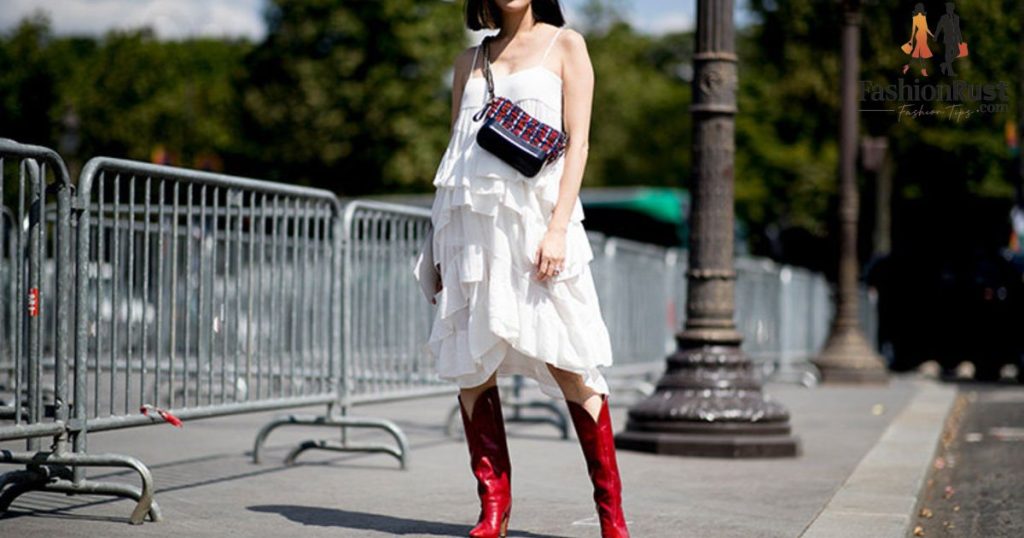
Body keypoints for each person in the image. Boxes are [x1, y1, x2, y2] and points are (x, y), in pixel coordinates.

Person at [412, 1, 629, 537]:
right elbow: (456, 156)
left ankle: (612, 516)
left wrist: (557, 228)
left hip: (535, 226)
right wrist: (436, 242)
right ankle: (493, 508)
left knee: (571, 365)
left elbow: (578, 144)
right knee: (471, 366)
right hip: (471, 230)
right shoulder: (469, 61)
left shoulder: (567, 45)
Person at [902, 3, 934, 77]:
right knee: (920, 54)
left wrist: (911, 39)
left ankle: (908, 66)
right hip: (921, 36)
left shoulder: (917, 18)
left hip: (921, 35)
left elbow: (916, 30)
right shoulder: (922, 17)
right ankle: (923, 70)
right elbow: (925, 28)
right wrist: (932, 35)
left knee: (917, 54)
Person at [934, 2, 963, 76]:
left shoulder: (956, 17)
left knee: (957, 52)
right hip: (948, 38)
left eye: (949, 8)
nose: (948, 10)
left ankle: (945, 65)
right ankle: (950, 71)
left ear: (952, 9)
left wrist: (960, 39)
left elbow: (957, 29)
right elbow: (939, 27)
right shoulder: (944, 17)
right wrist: (936, 36)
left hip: (955, 38)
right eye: (947, 8)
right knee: (948, 54)